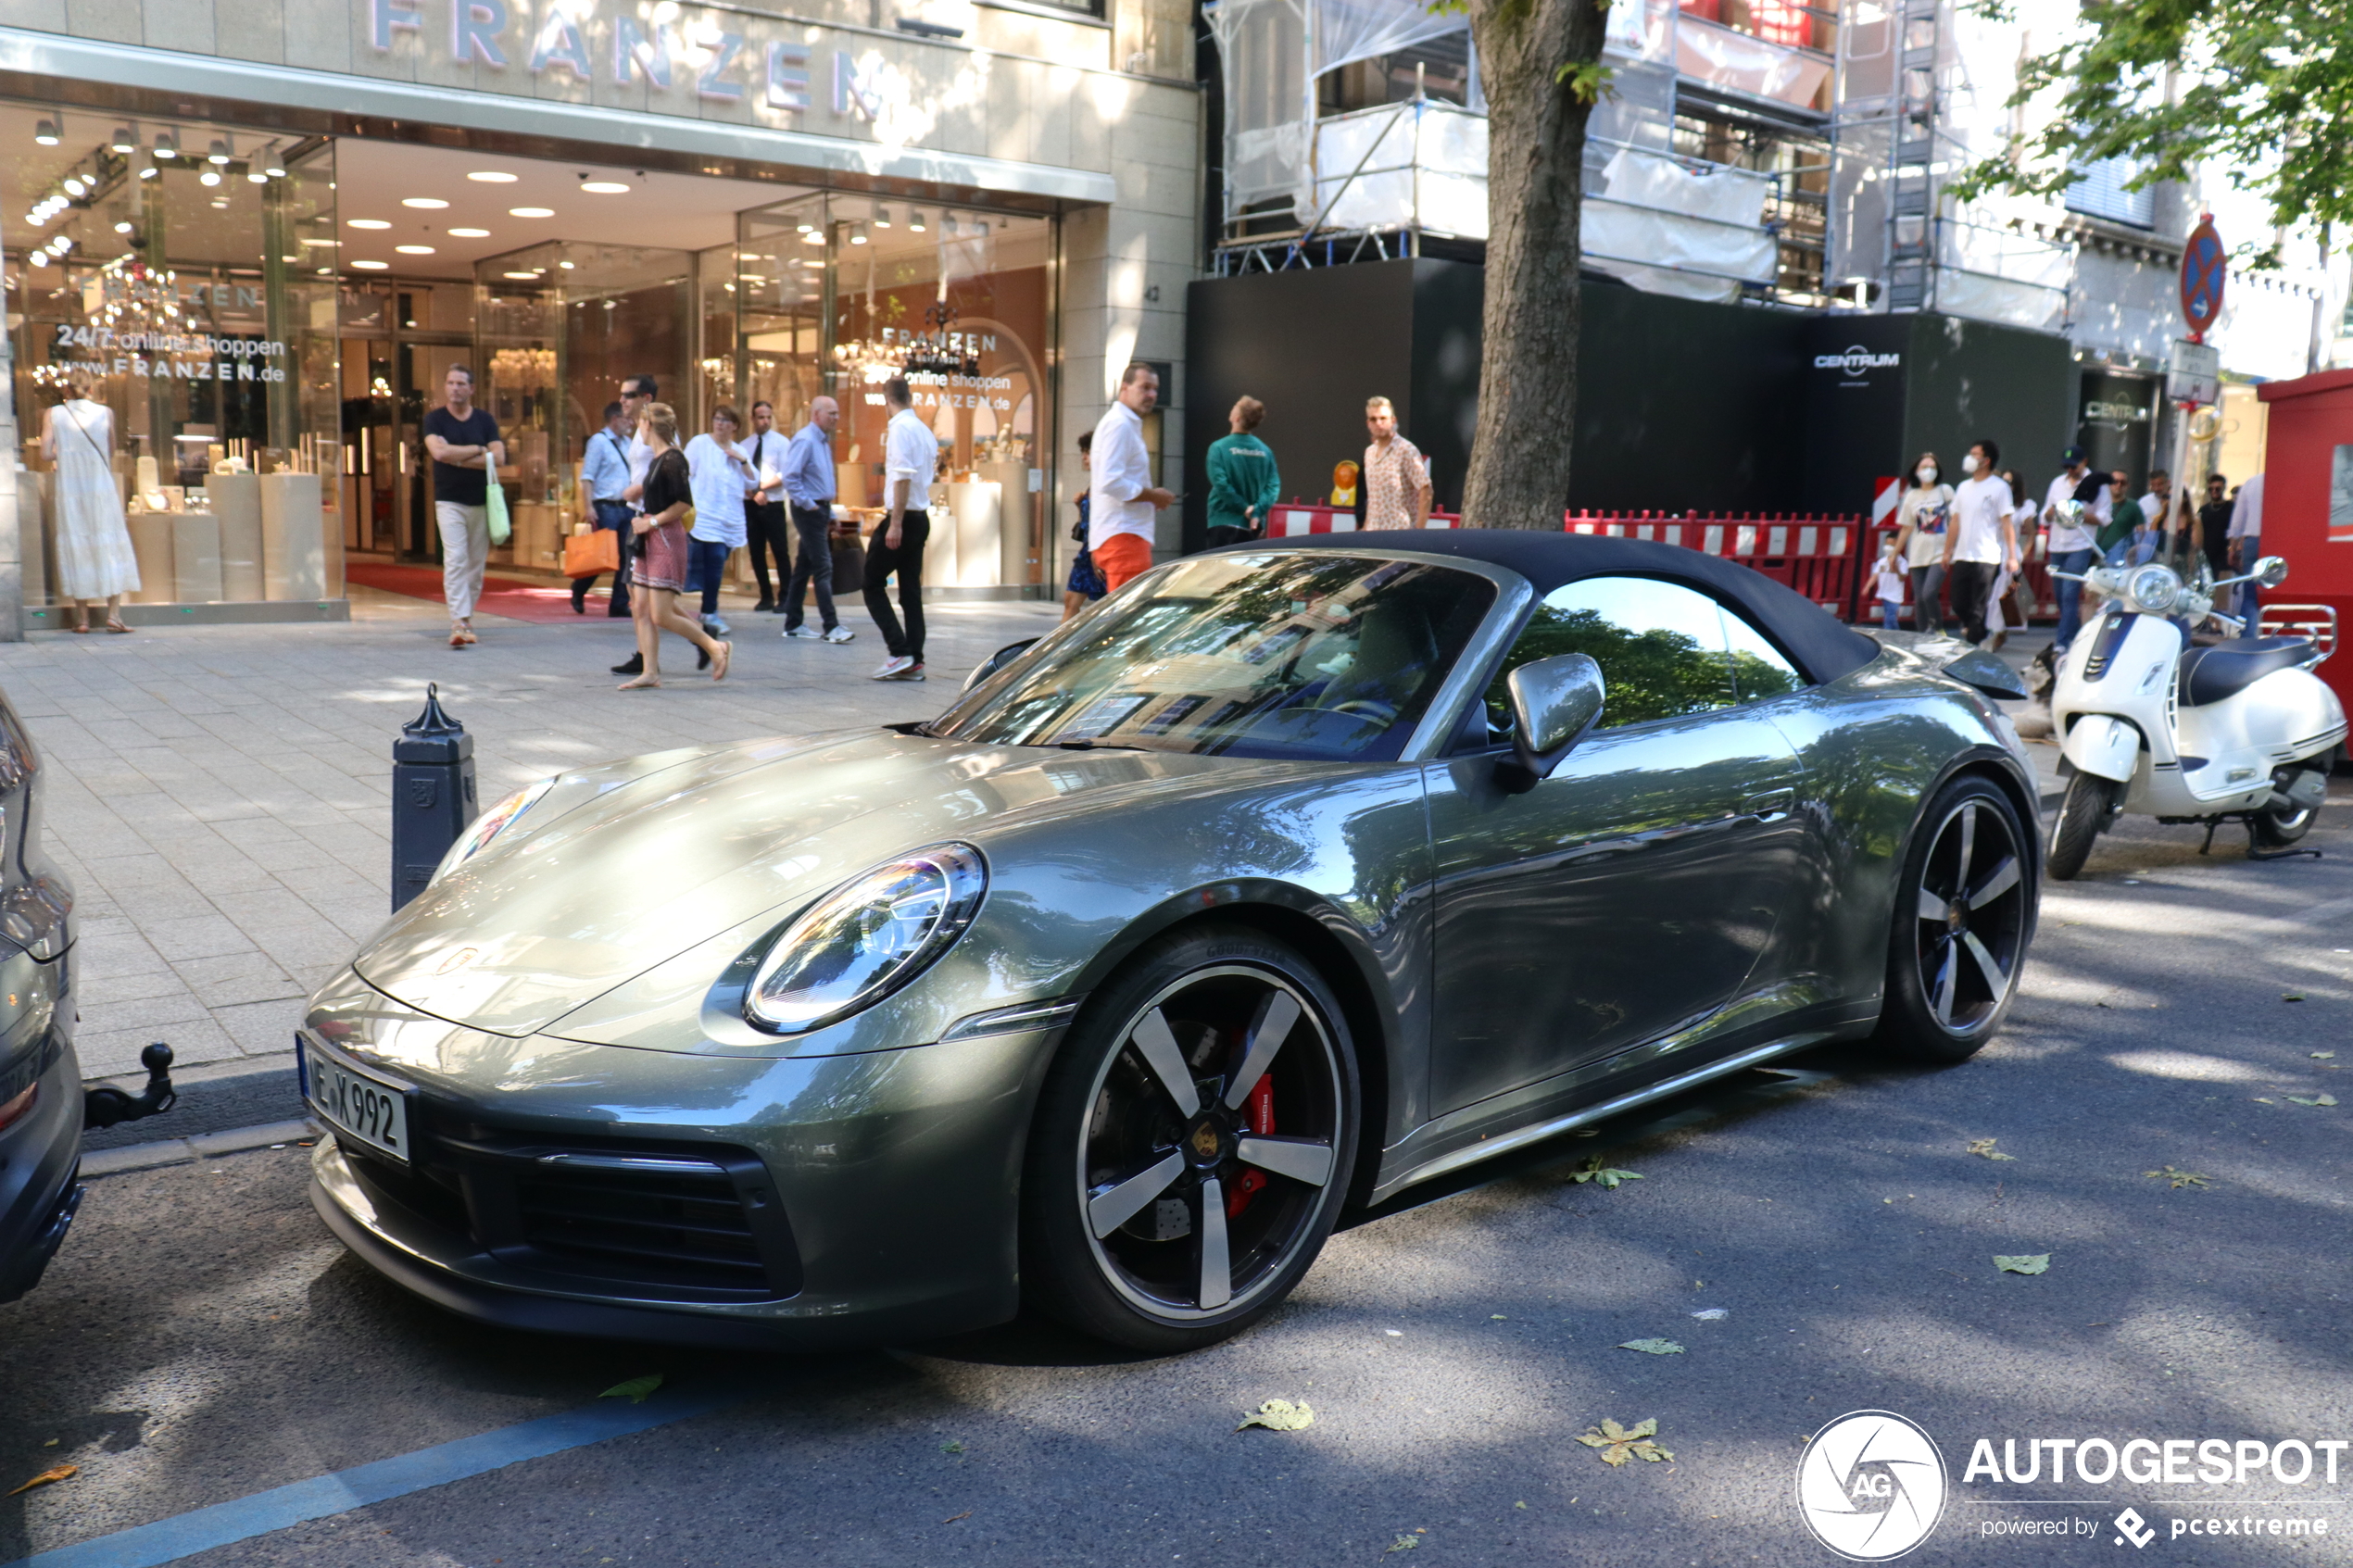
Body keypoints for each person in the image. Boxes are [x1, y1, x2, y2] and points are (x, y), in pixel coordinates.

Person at [618, 401, 729, 690]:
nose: (638, 429)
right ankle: (650, 671)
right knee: (640, 607)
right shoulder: (658, 459)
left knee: (661, 613)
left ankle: (714, 647)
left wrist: (651, 523)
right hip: (648, 537)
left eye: (641, 423)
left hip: (666, 539)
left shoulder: (672, 459)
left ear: (649, 425)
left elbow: (683, 503)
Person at [42, 370, 139, 633]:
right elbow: (110, 448)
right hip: (100, 487)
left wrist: (64, 451)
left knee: (77, 543)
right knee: (109, 544)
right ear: (92, 389)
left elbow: (45, 454)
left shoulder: (54, 414)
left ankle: (83, 619)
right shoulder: (105, 413)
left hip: (71, 488)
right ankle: (114, 615)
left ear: (66, 391)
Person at [421, 363, 504, 649]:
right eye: (450, 382)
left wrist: (455, 456)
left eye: (460, 383)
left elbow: (500, 457)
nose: (455, 388)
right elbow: (438, 452)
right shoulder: (434, 420)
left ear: (471, 389)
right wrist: (479, 451)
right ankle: (459, 621)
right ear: (445, 387)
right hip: (448, 500)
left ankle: (465, 618)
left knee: (475, 565)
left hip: (480, 502)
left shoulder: (484, 420)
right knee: (455, 558)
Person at [867, 377, 938, 680]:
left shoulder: (899, 428)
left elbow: (902, 476)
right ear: (909, 397)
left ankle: (900, 652)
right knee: (910, 591)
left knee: (871, 583)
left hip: (904, 518)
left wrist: (894, 523)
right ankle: (915, 660)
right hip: (920, 517)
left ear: (887, 399)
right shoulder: (923, 430)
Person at [1088, 364, 1173, 595]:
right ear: (1124, 388)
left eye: (1155, 389)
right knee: (1126, 620)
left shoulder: (1123, 423)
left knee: (1123, 616)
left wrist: (1150, 498)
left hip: (1122, 534)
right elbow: (1110, 481)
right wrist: (1152, 496)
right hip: (1124, 535)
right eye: (1145, 387)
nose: (1152, 395)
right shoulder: (1120, 425)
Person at [780, 395, 852, 643]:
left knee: (804, 567)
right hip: (809, 510)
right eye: (831, 413)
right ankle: (831, 626)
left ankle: (793, 622)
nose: (836, 418)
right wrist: (810, 506)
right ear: (816, 414)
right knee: (823, 567)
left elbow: (821, 483)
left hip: (818, 508)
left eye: (837, 413)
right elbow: (790, 477)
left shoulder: (821, 441)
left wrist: (829, 512)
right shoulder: (806, 439)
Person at [684, 405, 755, 642]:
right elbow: (686, 473)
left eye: (725, 420)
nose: (720, 423)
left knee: (717, 564)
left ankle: (706, 610)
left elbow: (754, 481)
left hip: (730, 518)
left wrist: (742, 460)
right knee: (713, 562)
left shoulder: (739, 450)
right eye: (717, 418)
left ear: (735, 425)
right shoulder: (699, 444)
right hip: (705, 515)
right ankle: (709, 612)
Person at [1942, 438, 2019, 646]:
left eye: (1975, 454)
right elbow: (1955, 521)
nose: (1970, 458)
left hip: (1987, 556)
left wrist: (2011, 556)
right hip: (1963, 554)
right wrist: (1947, 551)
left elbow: (2006, 522)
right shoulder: (1963, 487)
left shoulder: (1999, 487)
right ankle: (1979, 630)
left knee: (1978, 606)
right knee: (1957, 601)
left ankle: (1973, 646)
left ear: (1986, 460)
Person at [610, 374, 661, 676]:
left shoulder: (657, 426)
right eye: (622, 395)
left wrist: (636, 489)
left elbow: (668, 464)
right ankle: (644, 655)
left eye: (629, 394)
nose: (623, 400)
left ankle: (706, 641)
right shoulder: (639, 429)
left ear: (647, 398)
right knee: (637, 594)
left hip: (650, 519)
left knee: (646, 599)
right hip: (639, 517)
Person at [2041, 445, 2106, 653]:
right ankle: (2076, 633)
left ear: (2084, 462)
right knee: (2060, 595)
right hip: (2057, 544)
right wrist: (2055, 512)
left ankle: (2062, 643)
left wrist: (2077, 514)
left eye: (2073, 467)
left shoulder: (2098, 486)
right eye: (2066, 467)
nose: (2069, 471)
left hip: (2080, 544)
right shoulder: (2057, 484)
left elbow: (2104, 517)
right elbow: (2045, 514)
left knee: (2070, 594)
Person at [573, 400, 634, 616]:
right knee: (604, 556)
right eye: (627, 418)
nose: (631, 423)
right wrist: (588, 506)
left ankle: (619, 603)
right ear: (615, 419)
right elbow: (587, 476)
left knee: (627, 556)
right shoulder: (599, 441)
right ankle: (579, 588)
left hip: (627, 506)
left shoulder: (628, 443)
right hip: (606, 506)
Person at [1204, 395, 1279, 550]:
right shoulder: (1265, 451)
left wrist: (1243, 508)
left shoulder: (1218, 448)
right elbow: (1273, 488)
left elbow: (1221, 484)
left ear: (1237, 418)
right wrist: (1256, 511)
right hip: (1253, 526)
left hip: (1222, 522)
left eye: (1235, 406)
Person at [1892, 451, 1954, 635]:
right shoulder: (1912, 496)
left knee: (1929, 593)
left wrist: (1950, 550)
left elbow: (1955, 521)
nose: (1928, 471)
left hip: (1940, 551)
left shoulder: (1945, 491)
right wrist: (1894, 554)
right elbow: (1906, 528)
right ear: (1916, 471)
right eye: (1924, 467)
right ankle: (1921, 636)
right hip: (1917, 553)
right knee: (1919, 599)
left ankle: (1938, 628)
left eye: (1932, 467)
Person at [741, 401, 793, 614]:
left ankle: (786, 596)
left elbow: (785, 474)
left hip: (773, 503)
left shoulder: (781, 443)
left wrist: (762, 488)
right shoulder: (744, 445)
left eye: (768, 417)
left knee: (780, 550)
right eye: (761, 417)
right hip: (751, 503)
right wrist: (753, 493)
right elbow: (739, 476)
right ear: (753, 419)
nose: (765, 421)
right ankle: (765, 596)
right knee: (756, 551)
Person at [1362, 395, 1431, 531]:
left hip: (1398, 533)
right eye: (1373, 419)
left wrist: (1419, 530)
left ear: (1393, 421)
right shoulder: (1369, 453)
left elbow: (1426, 488)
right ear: (1368, 424)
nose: (1378, 423)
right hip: (1372, 533)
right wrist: (1365, 529)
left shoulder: (1406, 450)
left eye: (1383, 418)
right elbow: (1374, 499)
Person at [1062, 430, 1105, 621]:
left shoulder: (1106, 481)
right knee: (1071, 600)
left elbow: (1104, 518)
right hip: (1088, 550)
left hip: (1101, 548)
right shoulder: (1094, 482)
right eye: (1083, 452)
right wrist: (1081, 506)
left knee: (1111, 603)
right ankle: (1061, 647)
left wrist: (1097, 550)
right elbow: (1089, 519)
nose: (1084, 458)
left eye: (1088, 452)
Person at [2228, 470, 2266, 636]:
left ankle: (2248, 639)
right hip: (2279, 541)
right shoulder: (2288, 479)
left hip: (2252, 541)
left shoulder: (2252, 482)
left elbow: (2238, 519)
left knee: (2250, 594)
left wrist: (2233, 546)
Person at [2195, 471, 2233, 583]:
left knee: (2222, 588)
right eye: (2211, 489)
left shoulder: (2231, 508)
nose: (2214, 492)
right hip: (2206, 555)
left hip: (2224, 556)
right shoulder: (2204, 510)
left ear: (2224, 488)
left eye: (2218, 489)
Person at [2095, 471, 2142, 566]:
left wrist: (2136, 552)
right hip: (2096, 554)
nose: (2119, 485)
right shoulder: (2096, 504)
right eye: (2115, 481)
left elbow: (2141, 533)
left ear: (2128, 486)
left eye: (2123, 482)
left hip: (2121, 556)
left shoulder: (2133, 506)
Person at [2134, 469, 2174, 565]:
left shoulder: (2176, 501)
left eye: (2160, 484)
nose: (2156, 488)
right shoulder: (2143, 503)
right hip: (2149, 548)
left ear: (2168, 483)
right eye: (2153, 485)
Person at [1872, 543, 1906, 632]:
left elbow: (1902, 578)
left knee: (1890, 616)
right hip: (1884, 593)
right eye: (1887, 543)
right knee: (1890, 615)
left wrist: (1896, 568)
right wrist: (1867, 587)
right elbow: (1875, 575)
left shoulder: (1902, 562)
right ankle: (1896, 633)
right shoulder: (1882, 561)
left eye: (1891, 544)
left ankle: (1888, 632)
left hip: (1895, 594)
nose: (1888, 547)